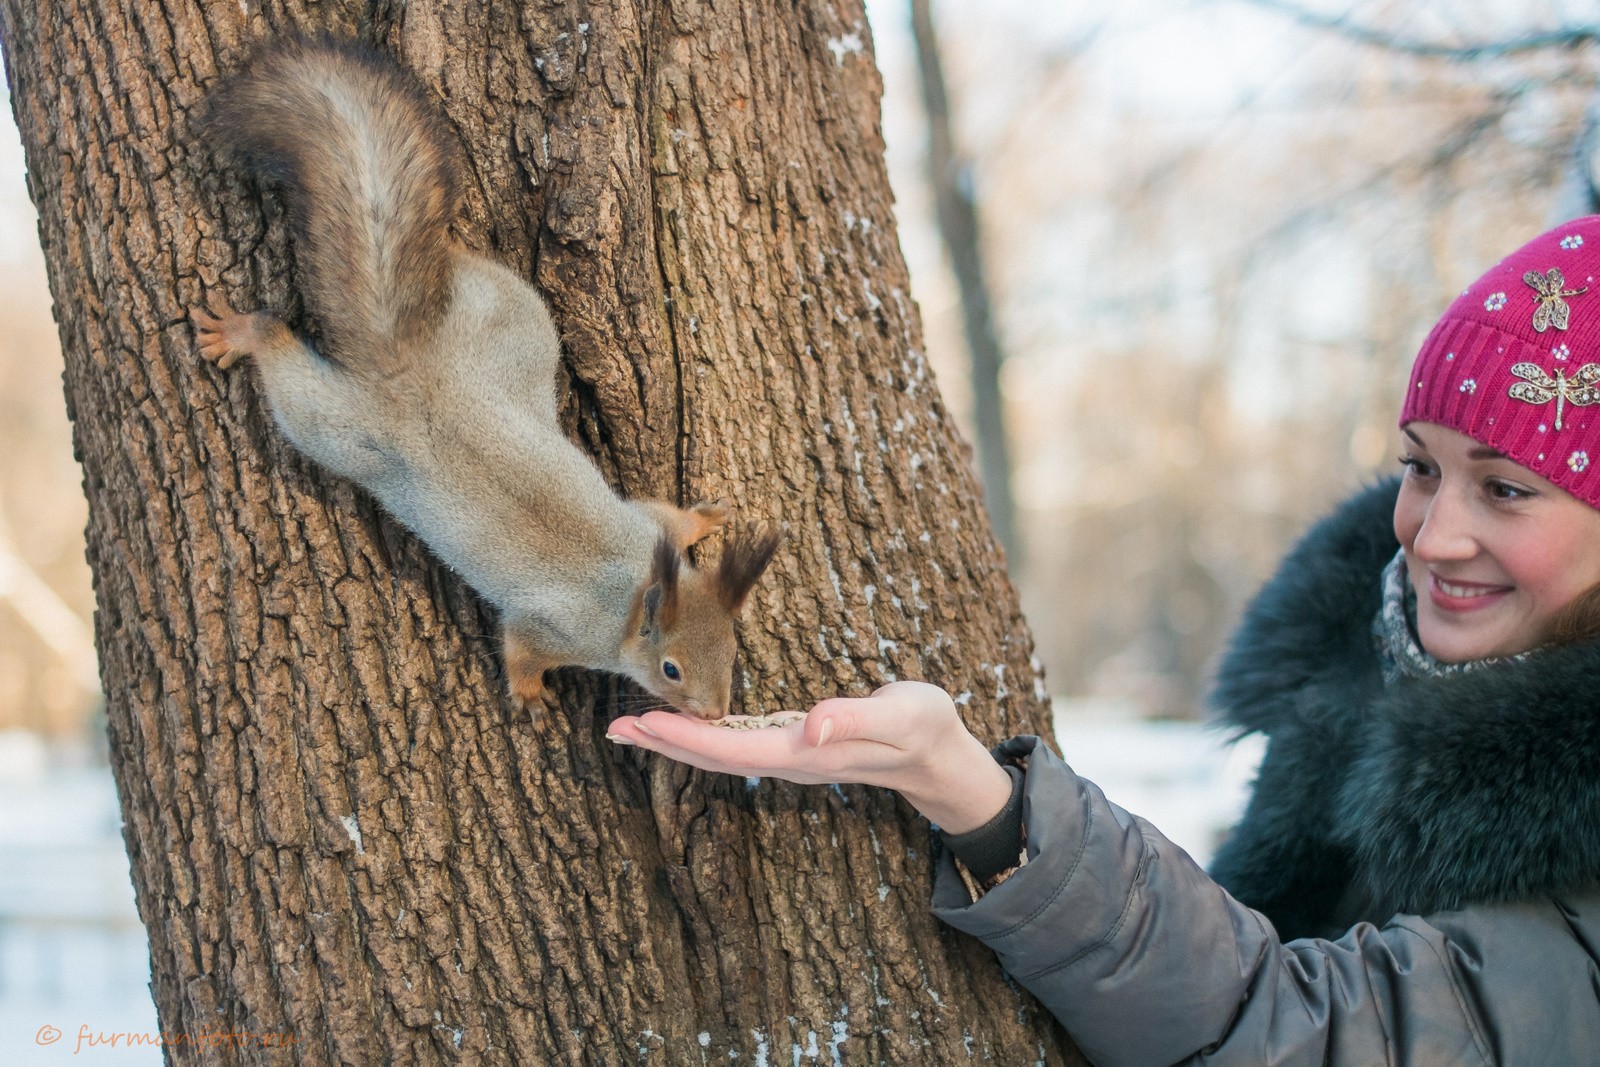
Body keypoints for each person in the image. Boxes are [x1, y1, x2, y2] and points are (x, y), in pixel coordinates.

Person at [605, 217, 1600, 1064]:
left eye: (1505, 488)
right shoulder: (1366, 703)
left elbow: (1282, 1026)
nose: (1432, 534)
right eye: (1420, 469)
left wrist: (981, 794)